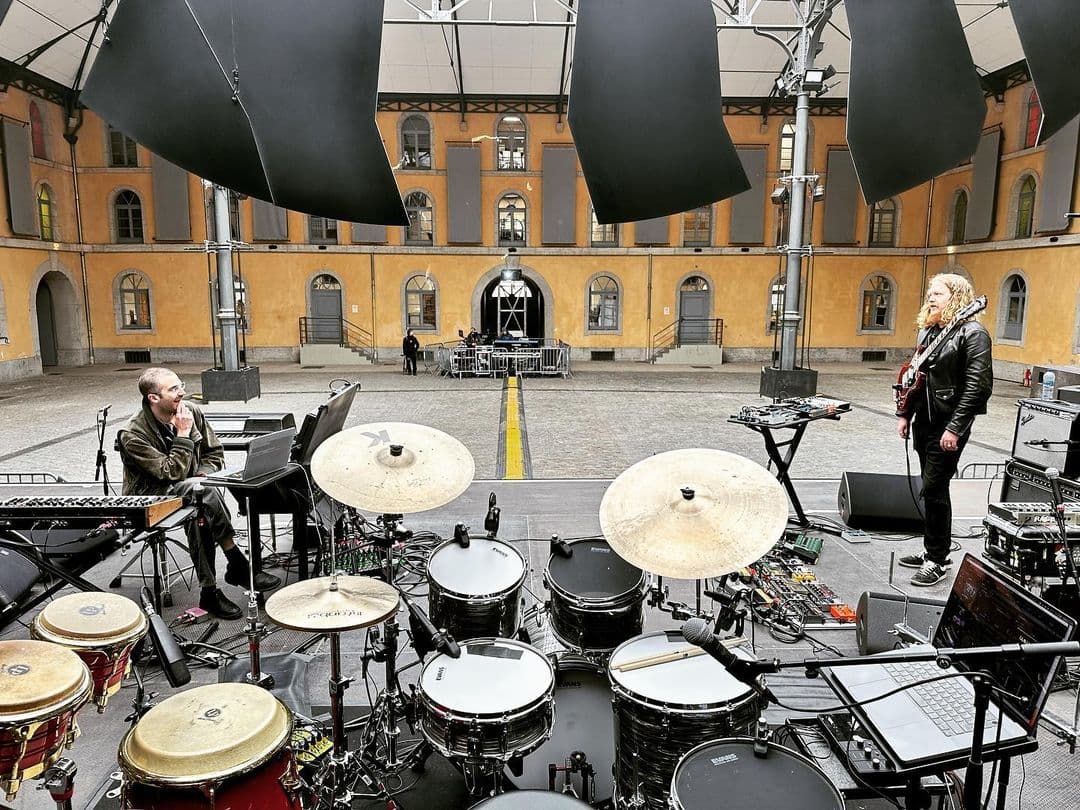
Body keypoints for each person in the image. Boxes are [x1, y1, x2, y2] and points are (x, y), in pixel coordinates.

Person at [118, 368, 281, 619]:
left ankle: (209, 592)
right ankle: (236, 561)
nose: (181, 392)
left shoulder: (191, 411)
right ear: (153, 398)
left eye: (180, 385)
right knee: (201, 494)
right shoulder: (134, 434)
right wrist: (183, 435)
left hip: (193, 492)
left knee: (200, 511)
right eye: (172, 389)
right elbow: (169, 473)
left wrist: (204, 473)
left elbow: (214, 453)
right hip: (150, 498)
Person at [895, 274, 992, 587]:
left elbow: (978, 388)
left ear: (958, 296)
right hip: (924, 421)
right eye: (930, 292)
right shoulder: (934, 330)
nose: (931, 297)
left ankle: (937, 559)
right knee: (931, 488)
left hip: (947, 424)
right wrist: (905, 414)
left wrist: (954, 428)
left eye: (938, 293)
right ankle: (933, 551)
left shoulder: (973, 333)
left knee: (935, 489)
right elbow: (915, 376)